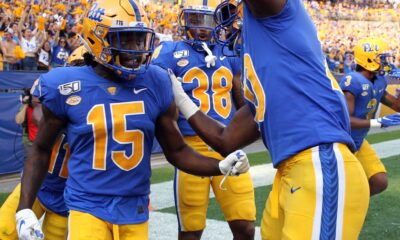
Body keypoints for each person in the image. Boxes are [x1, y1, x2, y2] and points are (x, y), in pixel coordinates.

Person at [15, 1, 250, 240]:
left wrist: (218, 166)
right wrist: (24, 208)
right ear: (98, 38)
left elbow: (177, 150)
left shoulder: (155, 80)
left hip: (135, 209)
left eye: (140, 39)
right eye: (125, 39)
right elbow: (41, 148)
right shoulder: (65, 84)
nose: (136, 49)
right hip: (86, 205)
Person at [169, 0, 373, 239]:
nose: (225, 29)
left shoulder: (279, 19)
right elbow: (224, 140)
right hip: (289, 173)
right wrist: (181, 98)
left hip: (319, 162)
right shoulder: (265, 79)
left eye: (233, 17)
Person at [151, 0, 255, 239]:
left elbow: (238, 88)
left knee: (245, 225)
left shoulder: (229, 50)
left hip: (228, 147)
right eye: (195, 20)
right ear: (185, 20)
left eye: (207, 21)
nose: (201, 27)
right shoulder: (169, 52)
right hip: (191, 146)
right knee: (191, 230)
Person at [339, 37, 400, 196]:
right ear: (368, 59)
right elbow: (346, 120)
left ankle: (352, 204)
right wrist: (377, 123)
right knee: (341, 184)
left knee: (379, 181)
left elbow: (396, 106)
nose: (387, 62)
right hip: (341, 142)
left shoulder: (379, 80)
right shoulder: (353, 81)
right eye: (382, 58)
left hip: (358, 140)